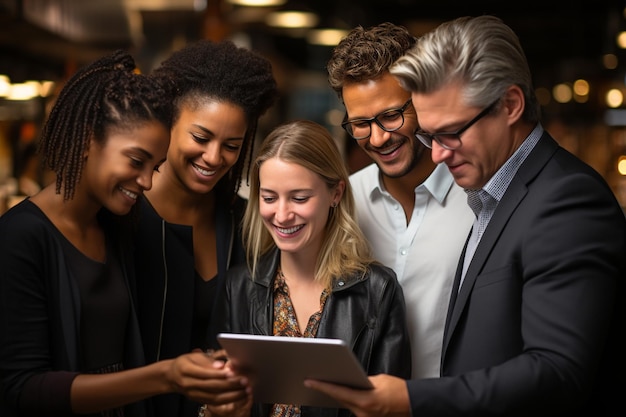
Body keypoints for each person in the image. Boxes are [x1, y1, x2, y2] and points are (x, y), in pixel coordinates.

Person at [304, 15, 626, 417]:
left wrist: (410, 399)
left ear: (510, 105)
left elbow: (558, 372)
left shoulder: (567, 198)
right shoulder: (490, 192)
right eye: (430, 136)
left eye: (451, 132)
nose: (437, 154)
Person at [0, 50, 248, 417]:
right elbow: (21, 388)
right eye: (135, 161)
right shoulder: (20, 236)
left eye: (155, 166)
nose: (147, 181)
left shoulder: (115, 227)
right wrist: (166, 375)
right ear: (87, 141)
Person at [205, 120, 412, 417]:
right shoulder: (238, 286)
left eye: (299, 198)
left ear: (336, 193)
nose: (282, 214)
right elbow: (212, 400)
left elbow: (391, 409)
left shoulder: (378, 290)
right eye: (269, 197)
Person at [131, 39, 278, 417]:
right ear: (168, 122)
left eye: (232, 145)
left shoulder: (247, 223)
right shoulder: (123, 216)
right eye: (201, 137)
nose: (214, 157)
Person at [326, 22, 474, 379]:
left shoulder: (477, 199)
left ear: (424, 98)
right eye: (360, 124)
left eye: (391, 115)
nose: (377, 138)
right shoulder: (343, 201)